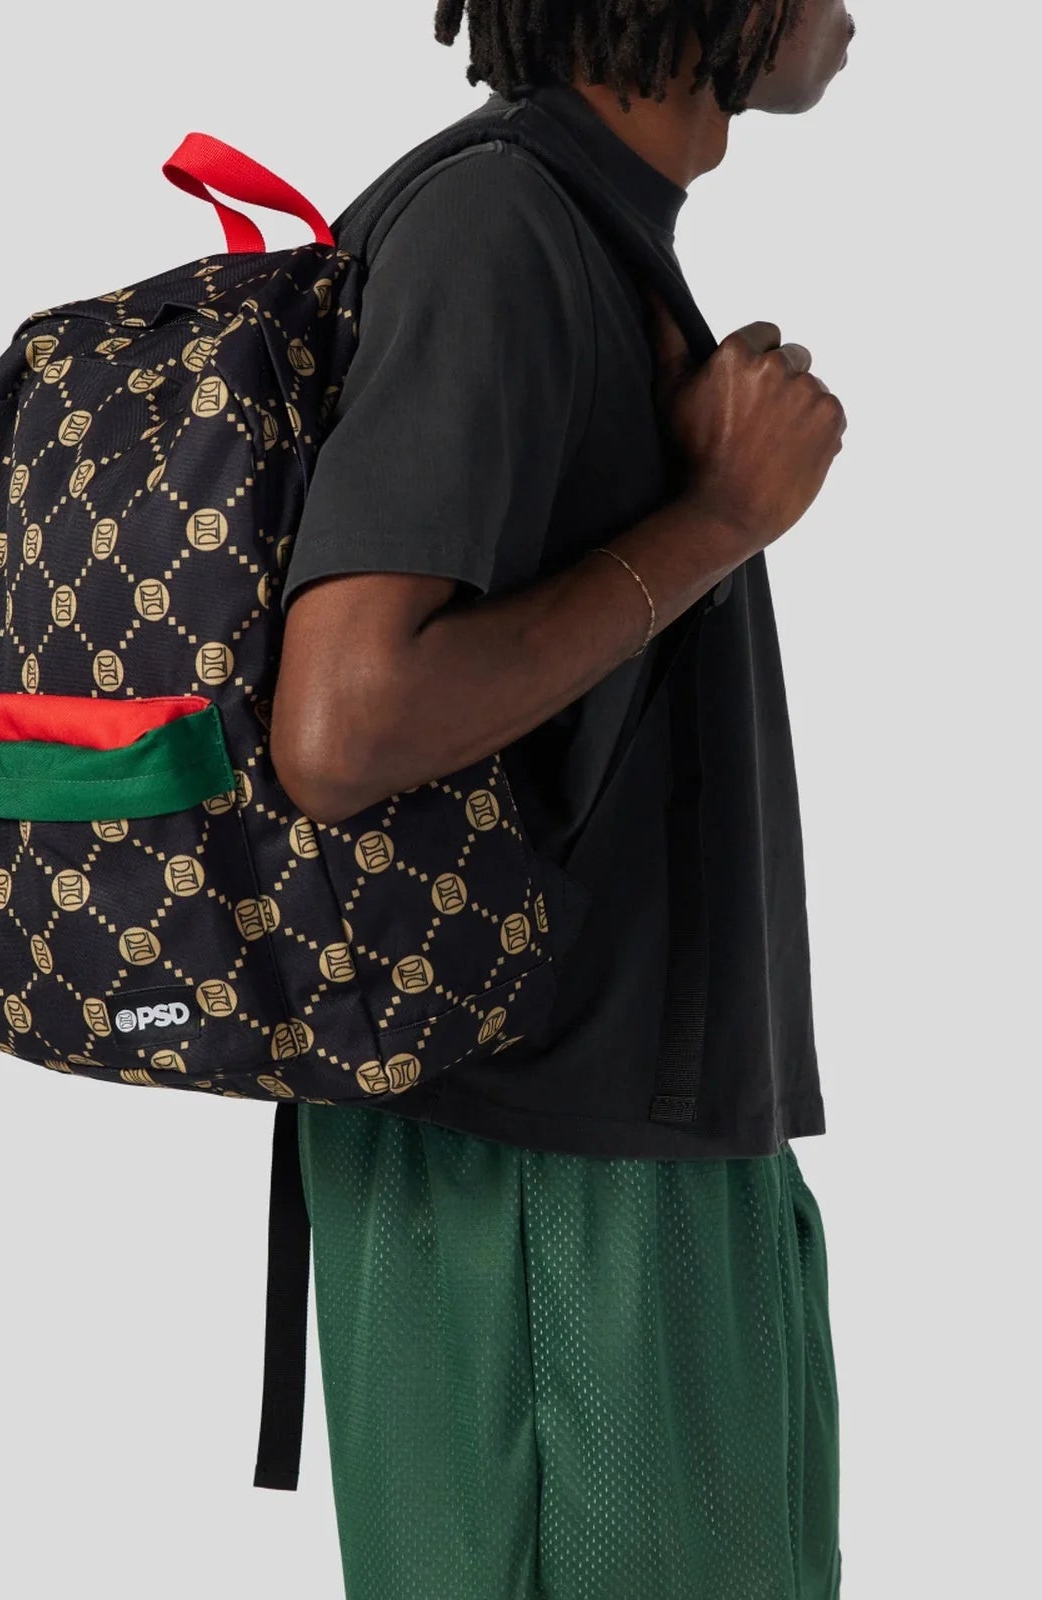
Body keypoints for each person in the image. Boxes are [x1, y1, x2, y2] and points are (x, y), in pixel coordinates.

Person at [270, 3, 854, 1595]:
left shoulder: (579, 221)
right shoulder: (499, 229)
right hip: (538, 1180)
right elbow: (341, 724)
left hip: (629, 1136)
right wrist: (721, 518)